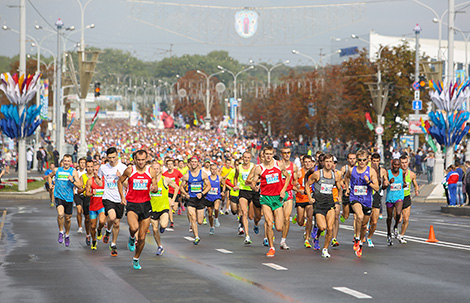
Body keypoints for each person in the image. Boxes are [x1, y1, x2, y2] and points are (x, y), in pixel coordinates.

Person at [118, 149, 158, 270]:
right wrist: (122, 197)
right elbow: (120, 182)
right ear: (135, 159)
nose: (140, 162)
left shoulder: (151, 171)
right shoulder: (130, 170)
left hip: (146, 205)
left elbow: (155, 187)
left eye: (143, 160)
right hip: (132, 204)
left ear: (147, 159)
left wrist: (154, 188)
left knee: (141, 237)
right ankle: (131, 238)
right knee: (134, 228)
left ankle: (136, 258)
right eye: (138, 160)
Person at [249, 146, 291, 258]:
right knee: (268, 222)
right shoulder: (259, 168)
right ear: (263, 155)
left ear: (273, 154)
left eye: (270, 154)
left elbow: (287, 176)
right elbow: (253, 182)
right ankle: (271, 247)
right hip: (265, 198)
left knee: (279, 227)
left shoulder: (279, 164)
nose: (268, 156)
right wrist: (255, 187)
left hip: (277, 198)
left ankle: (273, 238)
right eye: (266, 154)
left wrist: (283, 190)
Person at [305, 154, 342, 258]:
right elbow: (307, 185)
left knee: (330, 228)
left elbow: (339, 188)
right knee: (323, 226)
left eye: (331, 161)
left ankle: (325, 249)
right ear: (323, 163)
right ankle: (317, 236)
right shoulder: (317, 174)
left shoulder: (335, 175)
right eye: (327, 162)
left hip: (330, 203)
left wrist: (339, 197)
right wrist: (310, 197)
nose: (329, 164)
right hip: (319, 204)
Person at [344, 150, 379, 257]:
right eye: (359, 160)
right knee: (359, 216)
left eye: (364, 160)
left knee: (364, 224)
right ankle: (357, 237)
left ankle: (361, 241)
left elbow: (377, 188)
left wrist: (368, 182)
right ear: (357, 160)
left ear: (367, 160)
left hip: (367, 200)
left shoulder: (371, 171)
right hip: (355, 198)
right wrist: (347, 188)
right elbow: (346, 178)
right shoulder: (352, 170)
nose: (362, 162)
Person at [99, 147, 128, 257]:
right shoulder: (103, 167)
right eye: (109, 157)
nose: (111, 160)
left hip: (120, 198)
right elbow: (99, 178)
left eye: (113, 157)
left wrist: (120, 178)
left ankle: (113, 243)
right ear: (107, 157)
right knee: (111, 217)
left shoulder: (123, 167)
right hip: (108, 197)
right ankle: (108, 230)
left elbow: (127, 185)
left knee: (117, 223)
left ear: (117, 156)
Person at [47, 154, 82, 247]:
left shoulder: (74, 172)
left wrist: (72, 181)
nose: (66, 162)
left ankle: (67, 235)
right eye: (65, 160)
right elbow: (49, 176)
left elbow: (80, 185)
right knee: (60, 214)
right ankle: (61, 232)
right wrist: (50, 184)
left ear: (71, 162)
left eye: (68, 161)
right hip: (59, 196)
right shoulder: (57, 170)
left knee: (68, 218)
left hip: (69, 198)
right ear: (62, 161)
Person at [179, 156, 211, 245]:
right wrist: (185, 194)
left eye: (195, 162)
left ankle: (195, 224)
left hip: (200, 199)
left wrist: (203, 193)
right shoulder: (187, 175)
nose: (193, 163)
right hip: (191, 199)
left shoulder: (203, 174)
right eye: (192, 162)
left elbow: (208, 186)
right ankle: (196, 237)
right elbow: (181, 186)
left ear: (198, 163)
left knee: (200, 221)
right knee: (193, 217)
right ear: (189, 164)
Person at [150, 161, 178, 256]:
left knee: (164, 224)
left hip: (164, 208)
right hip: (152, 208)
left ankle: (163, 227)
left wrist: (173, 200)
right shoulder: (149, 181)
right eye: (154, 168)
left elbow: (176, 187)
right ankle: (160, 246)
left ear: (161, 169)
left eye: (157, 168)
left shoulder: (165, 179)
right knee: (154, 229)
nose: (156, 170)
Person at [278, 147, 299, 250]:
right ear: (281, 154)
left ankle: (283, 240)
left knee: (286, 218)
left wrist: (297, 185)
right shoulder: (277, 164)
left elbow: (295, 180)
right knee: (278, 220)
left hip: (288, 193)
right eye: (284, 153)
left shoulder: (293, 166)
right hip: (277, 193)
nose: (287, 154)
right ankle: (269, 235)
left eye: (288, 153)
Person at [292, 155, 315, 248]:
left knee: (310, 218)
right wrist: (298, 190)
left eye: (309, 162)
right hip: (300, 198)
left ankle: (307, 238)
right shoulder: (299, 173)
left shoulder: (314, 173)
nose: (308, 164)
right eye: (306, 162)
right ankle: (298, 217)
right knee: (300, 222)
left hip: (309, 199)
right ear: (303, 163)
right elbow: (292, 185)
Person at [366, 153, 388, 248]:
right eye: (373, 161)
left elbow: (385, 182)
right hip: (366, 195)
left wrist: (386, 183)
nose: (375, 163)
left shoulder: (382, 171)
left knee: (374, 221)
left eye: (377, 161)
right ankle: (362, 232)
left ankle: (369, 238)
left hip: (377, 195)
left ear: (379, 161)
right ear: (371, 161)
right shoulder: (366, 169)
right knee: (365, 218)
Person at [236, 151, 257, 245]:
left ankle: (254, 225)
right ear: (242, 158)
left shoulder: (254, 167)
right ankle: (247, 236)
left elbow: (258, 177)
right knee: (244, 212)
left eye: (248, 157)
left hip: (252, 192)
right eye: (245, 157)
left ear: (250, 158)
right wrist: (236, 185)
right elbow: (236, 177)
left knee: (251, 216)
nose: (246, 159)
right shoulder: (238, 168)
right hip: (243, 191)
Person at [384, 159, 405, 246]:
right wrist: (389, 182)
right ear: (392, 165)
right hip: (390, 198)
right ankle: (389, 233)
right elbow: (383, 187)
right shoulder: (388, 173)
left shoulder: (402, 172)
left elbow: (403, 183)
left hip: (399, 197)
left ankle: (395, 227)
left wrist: (404, 185)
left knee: (399, 213)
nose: (396, 167)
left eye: (398, 165)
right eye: (395, 165)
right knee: (389, 217)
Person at [399, 155, 419, 244]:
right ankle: (395, 229)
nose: (404, 165)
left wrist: (416, 190)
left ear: (408, 163)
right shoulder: (396, 173)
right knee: (398, 219)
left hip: (406, 197)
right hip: (397, 198)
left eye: (405, 163)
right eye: (402, 163)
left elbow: (415, 184)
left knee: (406, 219)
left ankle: (402, 235)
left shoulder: (411, 174)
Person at [85, 162, 106, 250]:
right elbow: (86, 193)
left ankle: (100, 229)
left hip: (102, 205)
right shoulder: (90, 181)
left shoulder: (105, 180)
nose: (95, 172)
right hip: (93, 206)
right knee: (92, 226)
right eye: (93, 170)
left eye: (97, 170)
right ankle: (93, 240)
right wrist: (91, 193)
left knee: (102, 221)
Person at [76, 159, 94, 246]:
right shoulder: (82, 177)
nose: (90, 169)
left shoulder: (97, 176)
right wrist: (85, 188)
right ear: (86, 167)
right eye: (88, 167)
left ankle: (94, 234)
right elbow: (78, 191)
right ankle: (88, 234)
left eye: (91, 167)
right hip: (86, 198)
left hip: (95, 199)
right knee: (87, 218)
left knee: (95, 220)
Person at [162, 158, 183, 228]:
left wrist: (181, 186)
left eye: (171, 164)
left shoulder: (177, 172)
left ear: (173, 165)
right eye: (168, 164)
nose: (170, 166)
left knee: (174, 208)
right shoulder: (164, 174)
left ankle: (178, 205)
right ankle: (171, 221)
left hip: (176, 192)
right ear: (166, 166)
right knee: (170, 206)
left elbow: (183, 178)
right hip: (168, 192)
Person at [204, 163, 224, 235]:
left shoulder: (219, 178)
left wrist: (223, 191)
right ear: (210, 170)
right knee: (209, 214)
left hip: (217, 196)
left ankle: (216, 218)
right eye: (212, 169)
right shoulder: (207, 178)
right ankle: (212, 227)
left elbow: (223, 185)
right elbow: (204, 186)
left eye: (215, 169)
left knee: (216, 208)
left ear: (217, 170)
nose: (214, 171)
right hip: (209, 197)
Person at [74, 158, 87, 235]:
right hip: (77, 193)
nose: (82, 164)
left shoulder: (87, 173)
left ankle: (86, 225)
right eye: (81, 163)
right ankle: (80, 227)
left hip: (85, 194)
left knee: (85, 213)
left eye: (83, 163)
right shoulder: (76, 173)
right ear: (78, 164)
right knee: (79, 210)